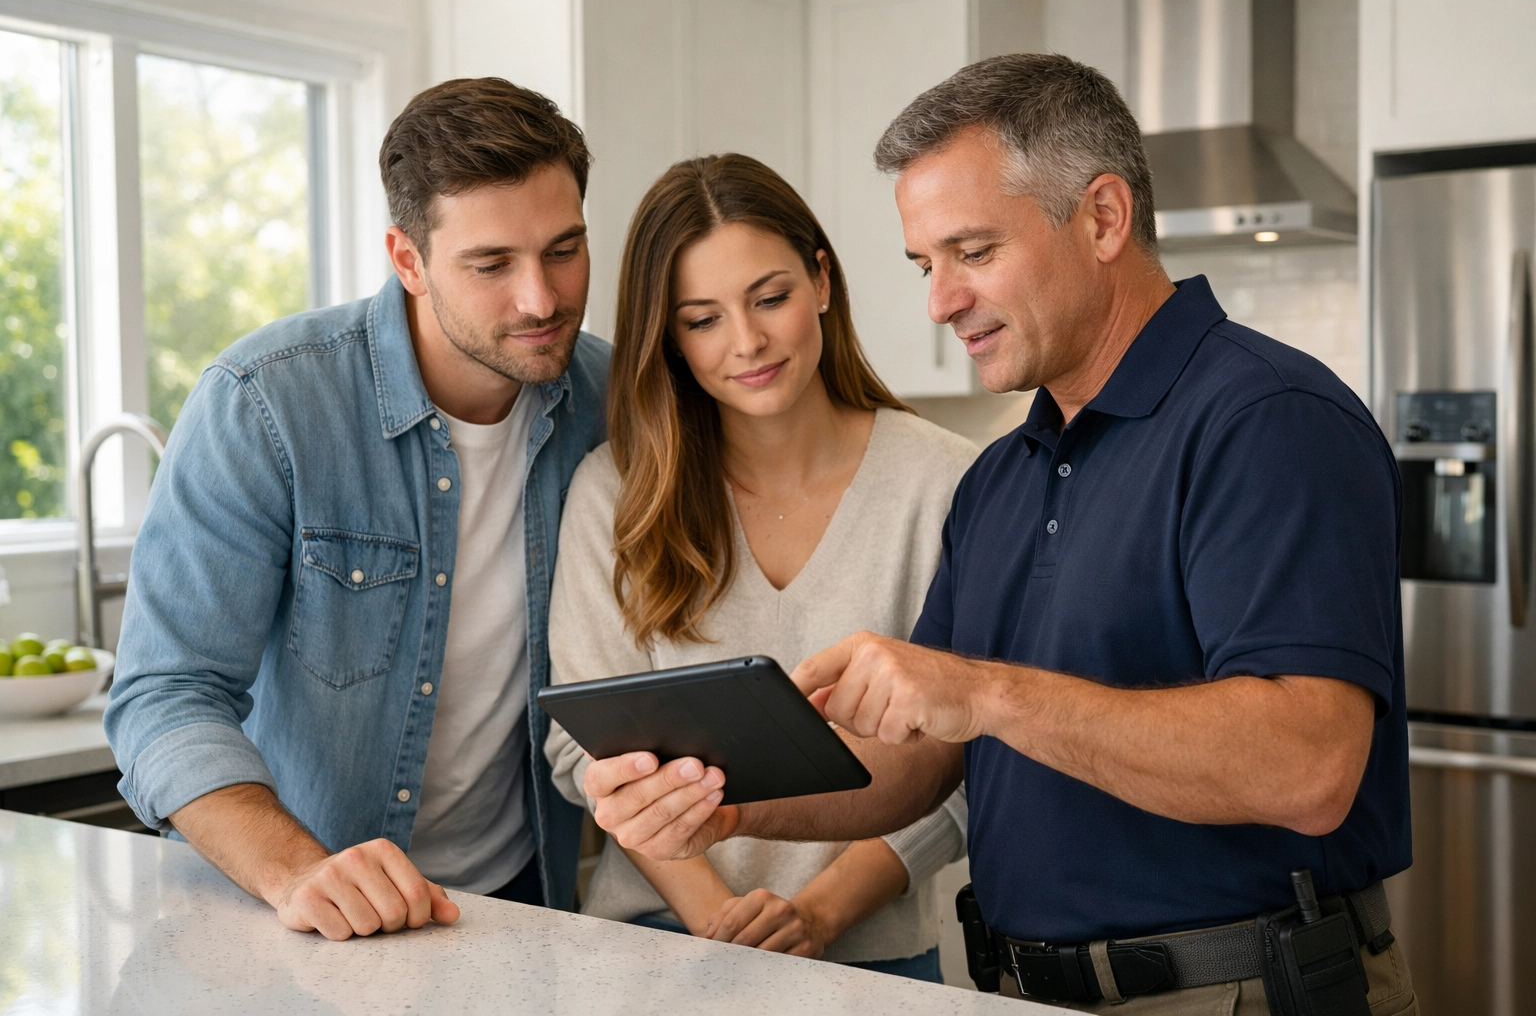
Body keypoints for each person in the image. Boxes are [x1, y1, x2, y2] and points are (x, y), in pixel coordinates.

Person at [578, 54, 1417, 1014]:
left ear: (1104, 218)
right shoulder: (1004, 478)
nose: (938, 301)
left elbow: (1306, 766)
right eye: (924, 264)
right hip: (1022, 990)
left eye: (973, 253)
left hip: (1239, 991)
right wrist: (723, 804)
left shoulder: (1266, 419)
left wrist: (982, 692)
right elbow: (920, 760)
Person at [104, 78, 610, 940]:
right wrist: (298, 871)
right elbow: (165, 693)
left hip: (517, 908)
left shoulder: (609, 398)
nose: (541, 299)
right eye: (491, 265)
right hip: (302, 914)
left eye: (564, 250)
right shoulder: (266, 404)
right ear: (407, 259)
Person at [543, 154, 975, 981]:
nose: (746, 343)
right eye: (701, 319)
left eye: (769, 298)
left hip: (874, 962)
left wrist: (818, 913)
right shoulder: (615, 492)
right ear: (667, 336)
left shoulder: (947, 485)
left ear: (820, 280)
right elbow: (582, 749)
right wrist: (720, 921)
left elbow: (968, 761)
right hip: (654, 954)